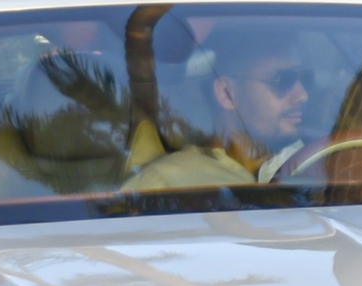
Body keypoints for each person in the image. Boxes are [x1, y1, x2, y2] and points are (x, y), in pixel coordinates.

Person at [125, 32, 317, 191]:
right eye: (284, 80)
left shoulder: (315, 162)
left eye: (306, 78)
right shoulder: (169, 183)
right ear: (226, 93)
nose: (303, 96)